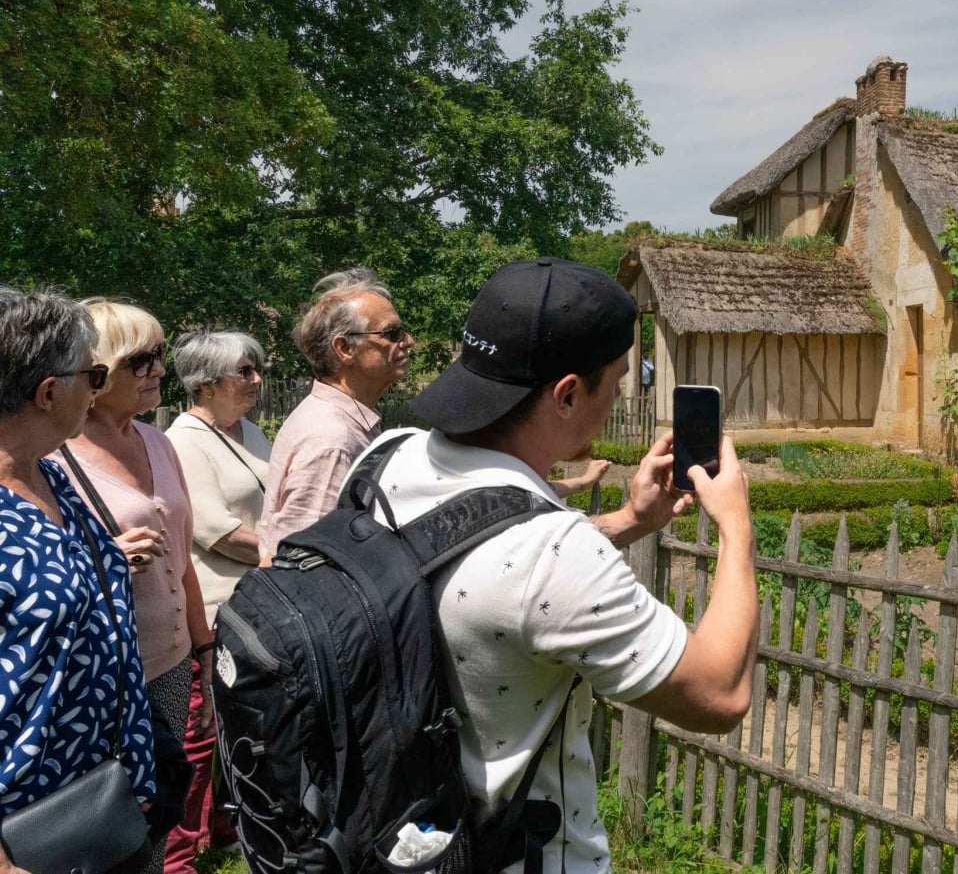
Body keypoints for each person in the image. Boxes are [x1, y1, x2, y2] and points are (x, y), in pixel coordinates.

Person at [358, 258, 758, 874]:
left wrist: (631, 521)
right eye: (617, 380)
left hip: (391, 835)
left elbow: (474, 557)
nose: (622, 394)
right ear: (568, 393)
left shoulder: (385, 458)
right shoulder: (555, 552)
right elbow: (720, 695)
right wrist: (736, 528)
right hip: (515, 854)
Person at [0, 287, 157, 874]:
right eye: (93, 375)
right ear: (47, 392)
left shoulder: (51, 476)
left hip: (101, 801)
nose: (98, 388)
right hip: (26, 833)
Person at [57, 299, 214, 874]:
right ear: (94, 376)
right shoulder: (54, 456)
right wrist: (103, 558)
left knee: (166, 802)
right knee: (110, 820)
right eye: (140, 359)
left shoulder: (159, 441)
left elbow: (183, 558)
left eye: (160, 355)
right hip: (109, 676)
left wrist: (204, 649)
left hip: (172, 664)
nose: (158, 369)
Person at [164, 330, 271, 862]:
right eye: (243, 371)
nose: (256, 380)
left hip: (256, 601)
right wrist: (287, 552)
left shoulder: (250, 431)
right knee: (201, 734)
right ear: (205, 384)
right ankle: (181, 852)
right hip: (214, 611)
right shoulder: (184, 440)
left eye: (256, 369)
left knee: (245, 725)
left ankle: (226, 828)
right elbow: (217, 530)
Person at [257, 268, 414, 561]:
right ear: (344, 349)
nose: (408, 341)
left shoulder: (339, 419)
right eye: (392, 333)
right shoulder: (332, 439)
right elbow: (299, 563)